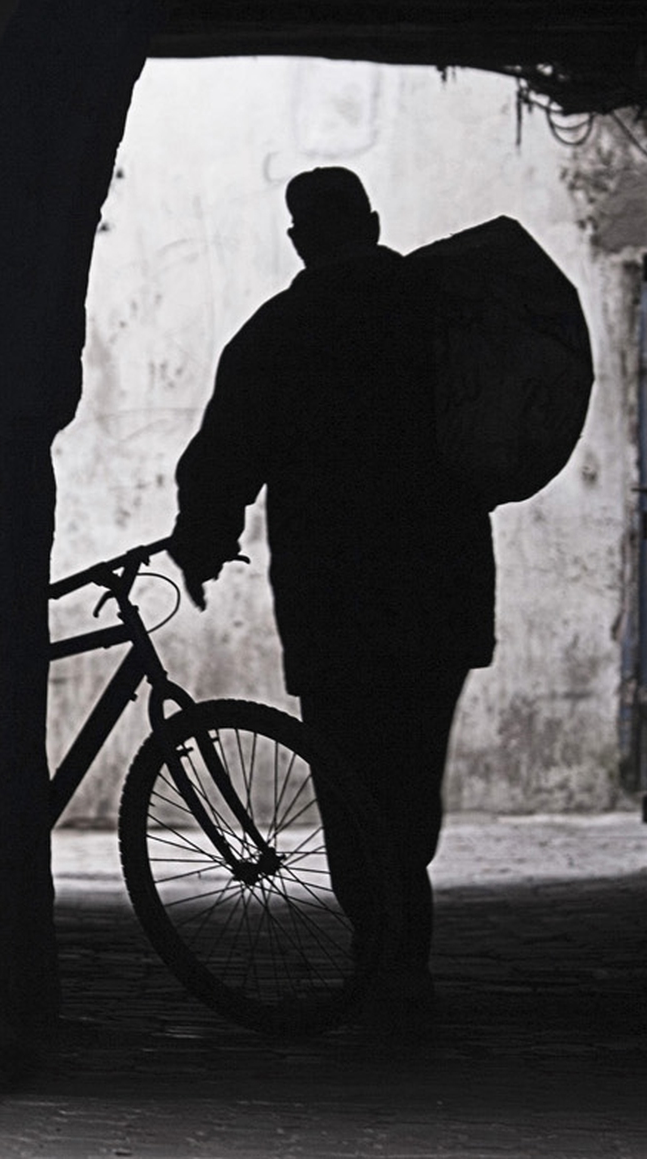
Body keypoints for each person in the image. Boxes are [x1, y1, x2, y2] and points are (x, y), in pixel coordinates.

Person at [165, 166, 495, 1030]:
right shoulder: (438, 309)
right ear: (374, 222)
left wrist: (200, 543)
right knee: (411, 769)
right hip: (440, 585)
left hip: (333, 595)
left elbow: (226, 452)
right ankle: (405, 950)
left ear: (301, 239)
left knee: (348, 776)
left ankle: (378, 949)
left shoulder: (280, 332)